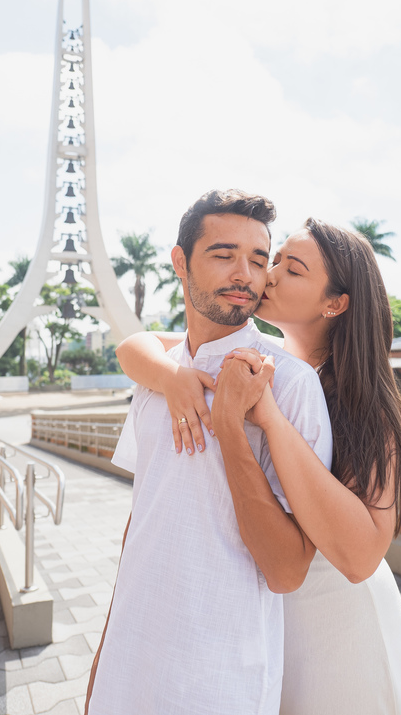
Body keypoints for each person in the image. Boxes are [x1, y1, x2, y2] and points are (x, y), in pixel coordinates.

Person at [116, 217, 401, 714]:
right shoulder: (262, 359)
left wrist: (268, 419)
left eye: (291, 269)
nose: (269, 274)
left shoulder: (361, 401)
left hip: (338, 618)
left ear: (335, 303)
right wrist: (173, 377)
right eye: (272, 260)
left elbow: (361, 556)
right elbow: (136, 346)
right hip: (265, 614)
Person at [86, 190, 334, 715]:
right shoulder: (159, 372)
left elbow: (288, 570)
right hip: (130, 660)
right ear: (181, 262)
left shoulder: (288, 385)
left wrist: (232, 427)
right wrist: (106, 652)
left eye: (259, 259)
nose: (244, 273)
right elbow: (145, 517)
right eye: (223, 255)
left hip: (221, 675)